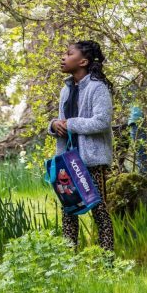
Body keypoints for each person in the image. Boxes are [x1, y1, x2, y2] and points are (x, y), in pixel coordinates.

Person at [48, 40, 114, 253]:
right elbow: (61, 122)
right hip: (66, 161)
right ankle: (68, 261)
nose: (63, 57)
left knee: (100, 211)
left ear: (83, 61)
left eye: (69, 54)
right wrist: (54, 125)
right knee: (68, 211)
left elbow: (102, 121)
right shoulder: (65, 90)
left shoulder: (98, 88)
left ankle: (108, 260)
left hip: (91, 161)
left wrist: (71, 124)